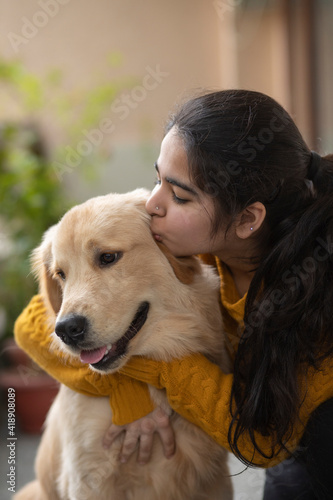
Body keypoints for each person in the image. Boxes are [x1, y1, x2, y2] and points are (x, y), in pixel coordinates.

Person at [15, 89, 333, 499]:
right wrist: (128, 390)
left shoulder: (318, 297)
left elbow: (263, 439)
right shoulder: (182, 244)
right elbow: (32, 324)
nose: (151, 203)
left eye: (180, 195)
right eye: (157, 179)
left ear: (247, 219)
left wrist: (162, 372)